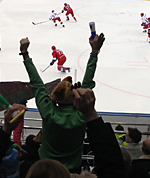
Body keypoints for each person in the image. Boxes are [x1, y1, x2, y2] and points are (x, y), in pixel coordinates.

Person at [18, 33, 106, 172]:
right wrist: (94, 53)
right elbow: (88, 81)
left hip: (46, 166)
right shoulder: (81, 114)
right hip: (73, 169)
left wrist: (25, 54)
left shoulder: (48, 112)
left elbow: (37, 84)